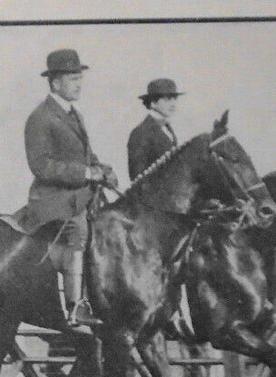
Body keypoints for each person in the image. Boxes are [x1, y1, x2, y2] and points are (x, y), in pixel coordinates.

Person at [11, 48, 118, 326]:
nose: (79, 84)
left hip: (79, 195)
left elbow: (86, 156)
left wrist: (103, 169)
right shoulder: (40, 117)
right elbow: (41, 166)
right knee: (79, 230)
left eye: (80, 78)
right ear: (55, 83)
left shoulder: (74, 114)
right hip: (52, 198)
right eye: (73, 79)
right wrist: (86, 173)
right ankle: (75, 306)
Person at [127, 78, 184, 180]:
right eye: (167, 99)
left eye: (174, 98)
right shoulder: (140, 133)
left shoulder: (168, 129)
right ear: (153, 102)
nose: (173, 104)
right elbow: (138, 179)